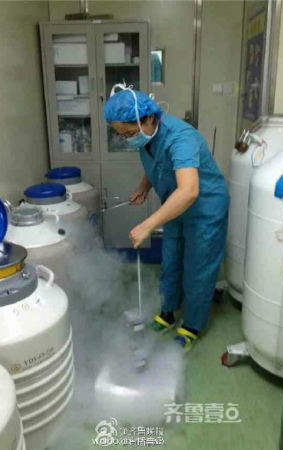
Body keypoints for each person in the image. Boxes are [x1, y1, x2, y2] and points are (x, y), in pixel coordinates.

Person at [103, 84, 230, 351]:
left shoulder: (180, 138)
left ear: (149, 118)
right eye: (122, 135)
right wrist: (143, 187)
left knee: (197, 267)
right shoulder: (146, 136)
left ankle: (192, 325)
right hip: (175, 204)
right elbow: (157, 164)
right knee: (171, 261)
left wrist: (147, 225)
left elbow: (189, 191)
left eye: (130, 133)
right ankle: (169, 312)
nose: (128, 139)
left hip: (204, 208)